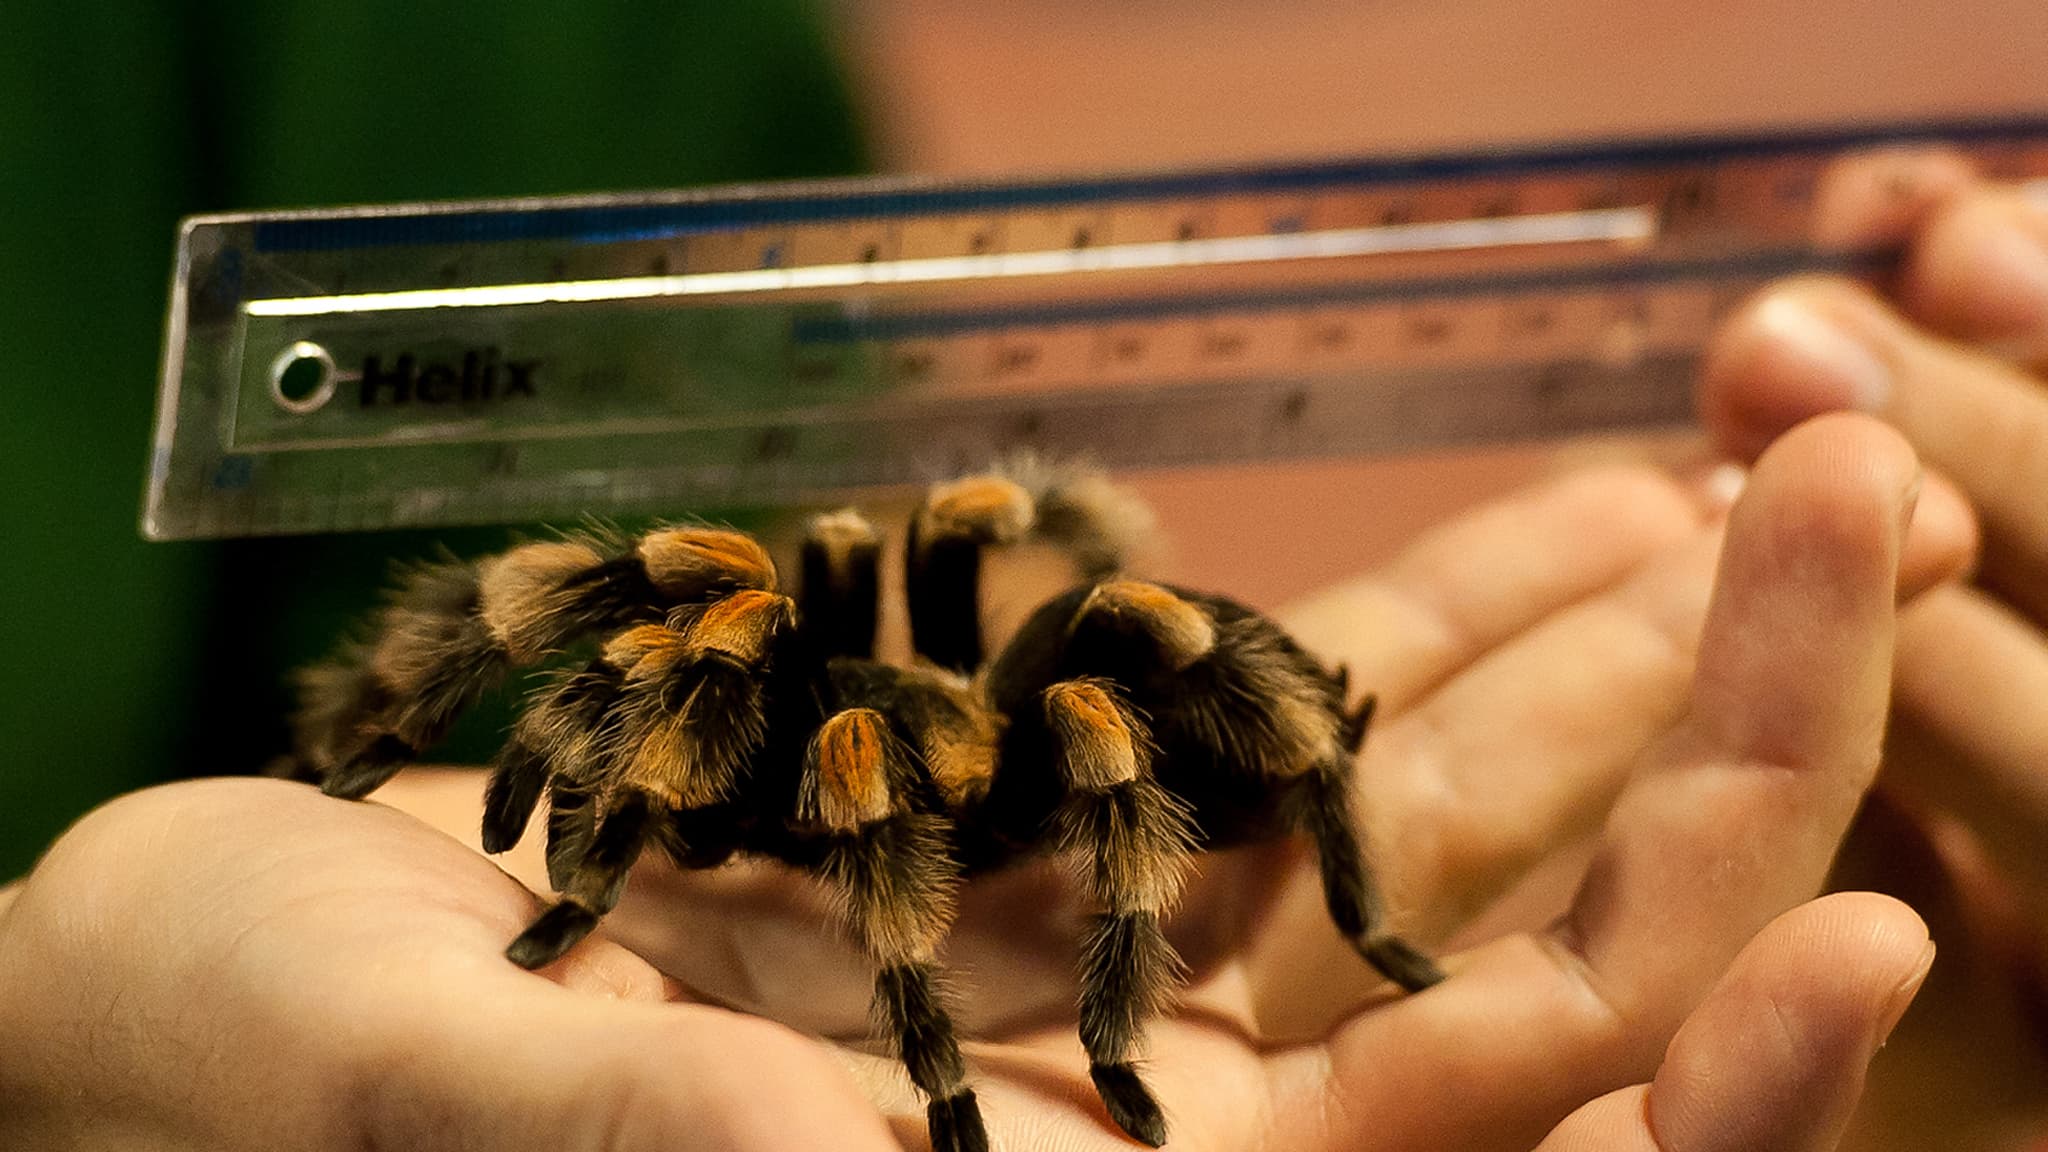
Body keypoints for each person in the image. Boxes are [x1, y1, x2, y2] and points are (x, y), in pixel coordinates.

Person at [0, 169, 2041, 1152]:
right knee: (699, 577)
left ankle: (1192, 942)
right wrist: (390, 792)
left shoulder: (992, 733)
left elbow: (1023, 548)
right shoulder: (759, 683)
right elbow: (698, 638)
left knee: (1087, 672)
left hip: (1074, 756)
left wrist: (1003, 1039)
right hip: (955, 753)